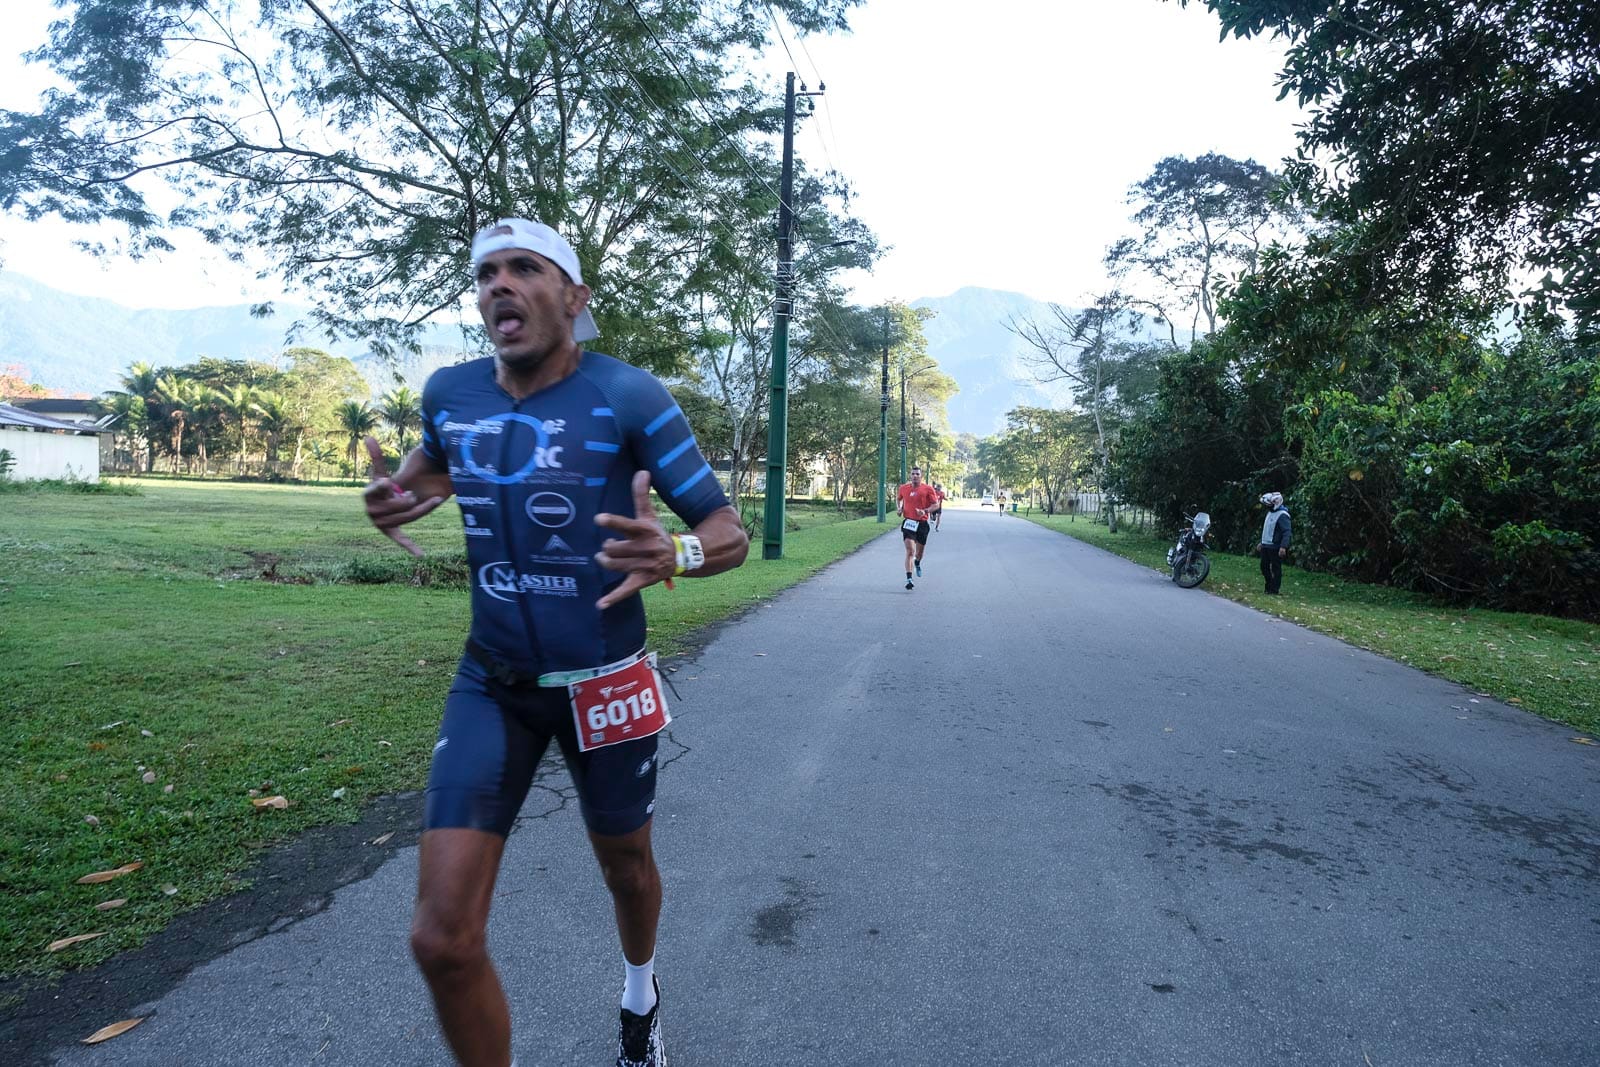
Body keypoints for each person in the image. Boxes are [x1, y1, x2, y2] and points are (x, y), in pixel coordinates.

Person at [362, 217, 748, 1067]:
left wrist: (677, 551)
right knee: (440, 937)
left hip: (605, 682)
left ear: (574, 297)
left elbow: (728, 531)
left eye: (525, 268)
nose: (500, 283)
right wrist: (394, 495)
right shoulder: (450, 392)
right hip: (492, 684)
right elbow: (435, 468)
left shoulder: (629, 395)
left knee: (627, 866)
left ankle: (640, 996)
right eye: (486, 273)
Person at [896, 466, 940, 589]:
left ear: (921, 476)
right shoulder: (903, 488)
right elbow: (898, 499)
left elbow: (936, 505)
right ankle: (909, 578)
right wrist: (899, 508)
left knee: (919, 554)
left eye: (917, 474)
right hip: (909, 523)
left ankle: (917, 562)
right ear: (910, 475)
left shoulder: (928, 489)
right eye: (913, 474)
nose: (915, 476)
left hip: (922, 524)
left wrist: (925, 511)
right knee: (910, 551)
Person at [1258, 491, 1292, 595]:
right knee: (1264, 566)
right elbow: (1267, 529)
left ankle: (1274, 589)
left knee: (1276, 568)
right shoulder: (1270, 513)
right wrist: (1261, 542)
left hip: (1275, 547)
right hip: (1266, 545)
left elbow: (1286, 532)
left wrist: (1283, 546)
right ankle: (1268, 586)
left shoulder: (1283, 515)